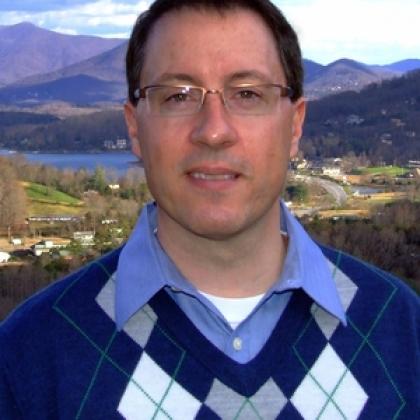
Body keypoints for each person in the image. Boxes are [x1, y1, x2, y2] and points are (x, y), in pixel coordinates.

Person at [1, 0, 418, 418]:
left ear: (295, 125)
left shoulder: (402, 329)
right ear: (135, 128)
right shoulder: (26, 359)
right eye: (178, 96)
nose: (214, 131)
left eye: (248, 93)